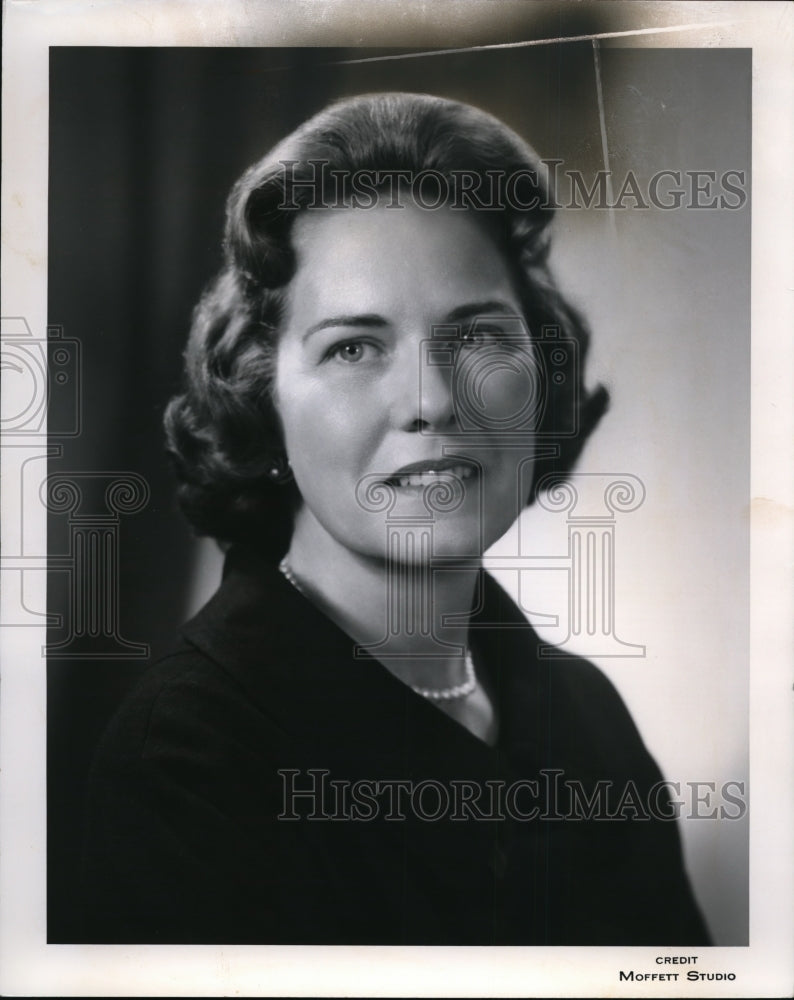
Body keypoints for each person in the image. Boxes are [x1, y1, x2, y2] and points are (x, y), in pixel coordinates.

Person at [80, 92, 711, 945]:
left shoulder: (586, 717)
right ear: (261, 395)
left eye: (478, 335)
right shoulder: (191, 756)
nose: (432, 400)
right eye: (353, 347)